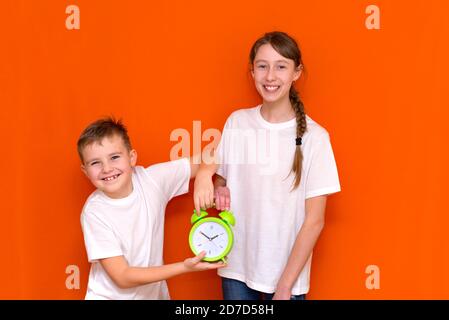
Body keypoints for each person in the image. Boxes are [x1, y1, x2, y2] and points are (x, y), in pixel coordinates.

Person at [194, 31, 341, 300]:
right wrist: (215, 182)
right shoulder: (237, 122)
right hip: (236, 268)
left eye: (281, 66)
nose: (270, 76)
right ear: (252, 72)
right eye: (262, 66)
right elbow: (223, 174)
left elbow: (314, 221)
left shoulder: (316, 138)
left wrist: (285, 285)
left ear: (296, 72)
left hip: (287, 277)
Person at [78, 117, 225, 300]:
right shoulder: (94, 212)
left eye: (114, 157)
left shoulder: (150, 180)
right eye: (95, 163)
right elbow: (123, 277)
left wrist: (204, 175)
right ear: (85, 171)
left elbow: (212, 154)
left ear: (131, 158)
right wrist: (184, 267)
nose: (107, 168)